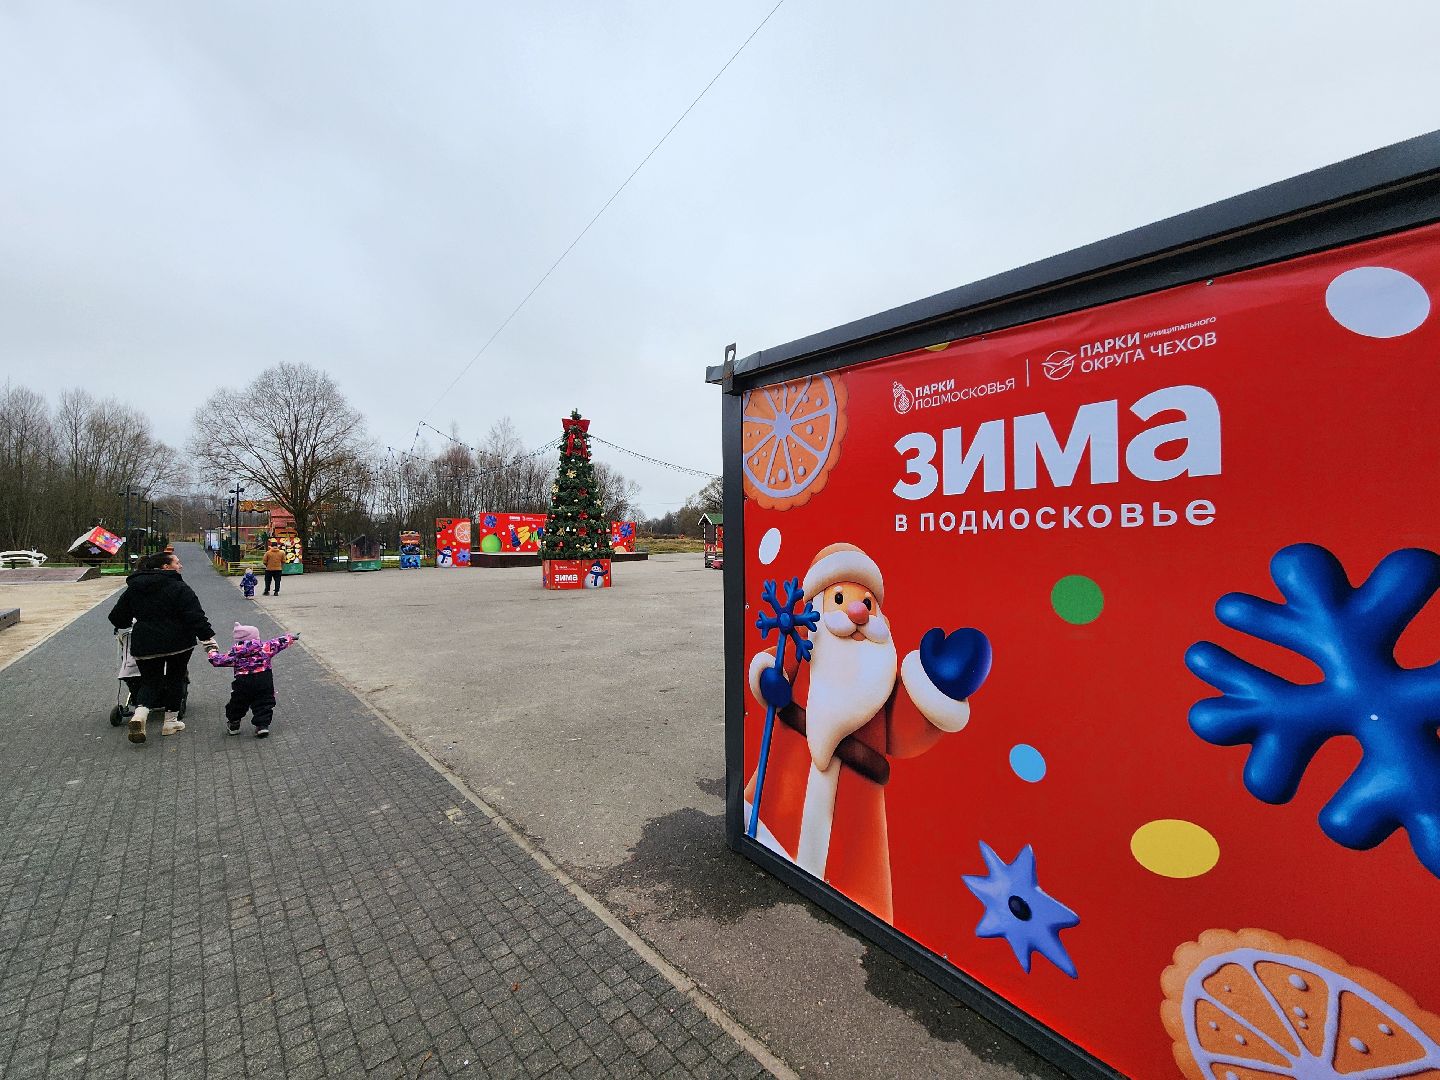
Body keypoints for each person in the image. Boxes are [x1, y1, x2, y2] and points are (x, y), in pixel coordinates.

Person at [107, 549, 218, 744]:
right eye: (177, 562)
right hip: (178, 642)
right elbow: (195, 616)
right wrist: (208, 642)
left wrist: (138, 620)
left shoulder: (134, 587)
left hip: (145, 643)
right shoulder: (179, 587)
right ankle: (170, 722)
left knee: (150, 681)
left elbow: (117, 618)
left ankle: (140, 715)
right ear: (165, 567)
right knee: (176, 677)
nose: (180, 566)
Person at [207, 623, 300, 738]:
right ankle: (262, 725)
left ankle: (234, 723)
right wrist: (291, 637)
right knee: (264, 701)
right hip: (264, 680)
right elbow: (279, 642)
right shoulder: (265, 648)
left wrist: (211, 651)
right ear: (255, 638)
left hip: (243, 683)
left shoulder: (235, 654)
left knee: (238, 702)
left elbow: (217, 660)